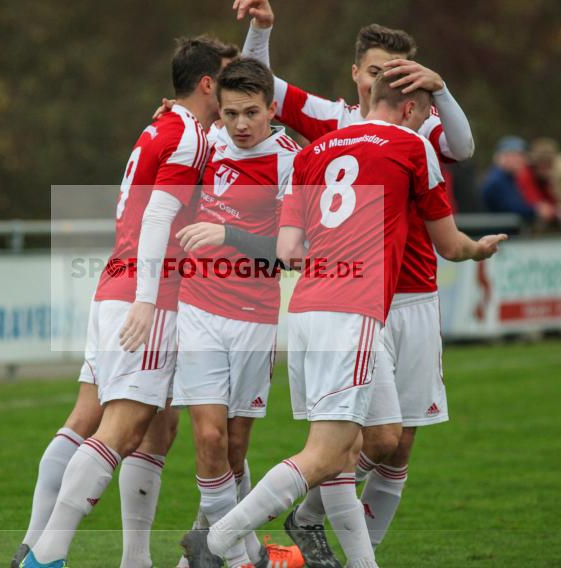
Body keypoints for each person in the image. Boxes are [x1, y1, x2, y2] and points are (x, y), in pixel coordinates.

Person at [182, 72, 506, 568]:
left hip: (307, 307)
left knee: (375, 436)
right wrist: (478, 249)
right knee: (327, 453)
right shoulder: (413, 147)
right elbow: (448, 244)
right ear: (411, 110)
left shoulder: (313, 151)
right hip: (351, 312)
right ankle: (215, 540)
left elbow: (289, 251)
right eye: (424, 114)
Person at [233, 0, 478, 562]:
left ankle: (318, 526)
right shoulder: (334, 121)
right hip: (355, 300)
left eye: (399, 72)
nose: (384, 81)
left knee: (398, 446)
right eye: (374, 71)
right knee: (356, 438)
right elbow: (258, 85)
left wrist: (440, 89)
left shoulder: (421, 126)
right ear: (355, 74)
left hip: (412, 295)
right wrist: (261, 31)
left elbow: (463, 147)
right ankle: (300, 529)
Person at [20, 35, 239, 568]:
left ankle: (130, 559)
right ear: (207, 84)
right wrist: (147, 300)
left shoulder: (163, 126)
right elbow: (159, 216)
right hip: (148, 296)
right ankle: (45, 554)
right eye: (228, 79)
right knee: (121, 428)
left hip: (117, 286)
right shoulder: (187, 136)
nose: (235, 90)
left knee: (152, 426)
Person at [169, 58, 300, 568]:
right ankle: (245, 560)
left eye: (251, 113)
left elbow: (290, 254)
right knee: (208, 435)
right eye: (230, 114)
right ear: (217, 110)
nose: (240, 125)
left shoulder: (290, 161)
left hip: (254, 314)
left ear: (272, 109)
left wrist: (227, 234)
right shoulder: (206, 141)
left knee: (235, 448)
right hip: (198, 306)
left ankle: (206, 550)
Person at [480, 135, 537, 222]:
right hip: (494, 228)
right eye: (516, 156)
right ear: (502, 157)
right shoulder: (497, 179)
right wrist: (536, 210)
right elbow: (512, 208)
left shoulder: (508, 177)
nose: (522, 160)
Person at [517, 138, 561, 230]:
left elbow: (555, 199)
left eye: (548, 165)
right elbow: (533, 201)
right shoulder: (525, 175)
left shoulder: (548, 178)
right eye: (542, 165)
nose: (545, 170)